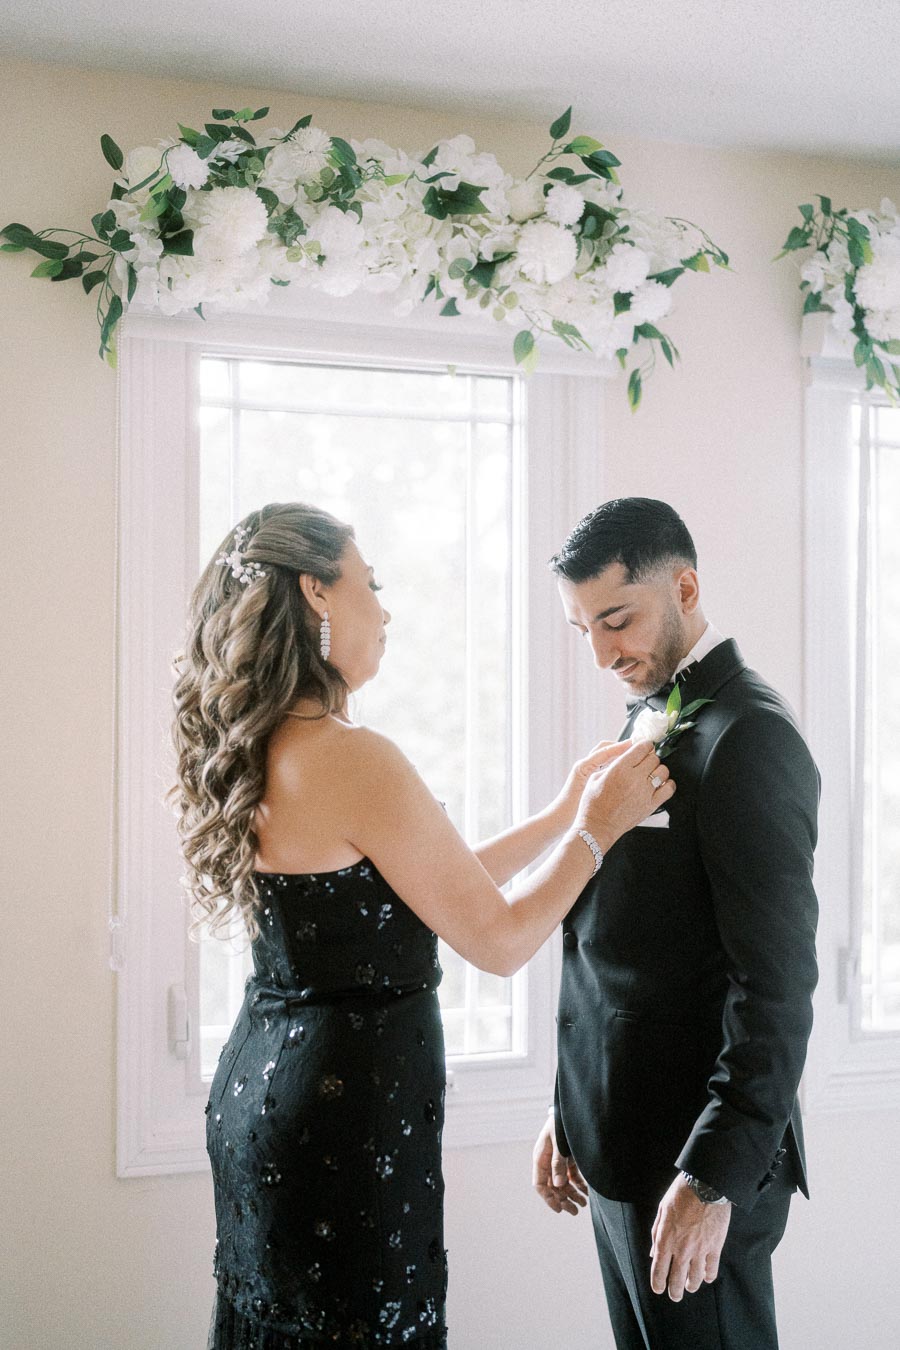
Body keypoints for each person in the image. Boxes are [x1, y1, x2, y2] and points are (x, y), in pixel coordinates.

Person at [170, 501, 674, 1350]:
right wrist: (601, 828)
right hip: (344, 1121)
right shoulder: (352, 755)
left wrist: (560, 814)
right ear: (316, 593)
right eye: (372, 583)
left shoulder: (256, 742)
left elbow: (408, 888)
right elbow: (501, 939)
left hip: (261, 1098)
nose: (387, 609)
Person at [532, 497, 820, 1350]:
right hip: (618, 1142)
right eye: (581, 628)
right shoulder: (648, 712)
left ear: (685, 587)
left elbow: (774, 985)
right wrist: (570, 1103)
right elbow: (622, 939)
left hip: (692, 1166)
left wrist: (712, 1172)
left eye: (615, 620)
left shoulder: (752, 738)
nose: (600, 652)